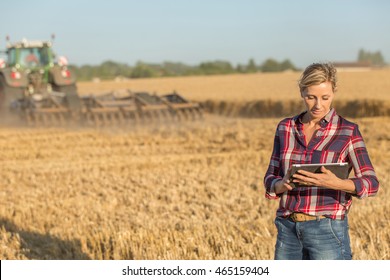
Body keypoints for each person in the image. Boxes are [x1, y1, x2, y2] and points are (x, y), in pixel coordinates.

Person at [263, 62, 379, 260]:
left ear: (334, 92)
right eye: (311, 97)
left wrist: (338, 184)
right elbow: (270, 177)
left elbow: (372, 183)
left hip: (327, 229)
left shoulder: (348, 131)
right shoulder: (285, 128)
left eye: (325, 98)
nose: (318, 105)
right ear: (301, 92)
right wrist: (280, 185)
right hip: (287, 228)